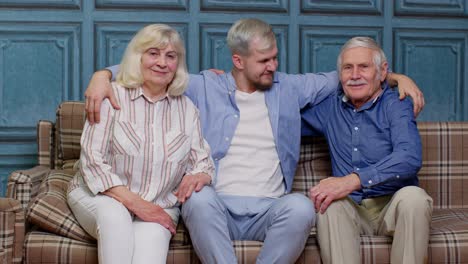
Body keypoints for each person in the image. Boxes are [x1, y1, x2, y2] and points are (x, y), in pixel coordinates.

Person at [84, 19, 425, 263]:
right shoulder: (204, 86)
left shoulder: (289, 88)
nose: (273, 66)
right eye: (264, 60)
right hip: (218, 202)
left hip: (270, 206)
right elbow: (149, 69)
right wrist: (102, 76)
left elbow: (348, 77)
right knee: (197, 199)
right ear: (238, 60)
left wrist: (395, 76)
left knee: (302, 207)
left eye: (275, 57)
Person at [67, 24, 214, 264]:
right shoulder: (112, 96)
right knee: (116, 218)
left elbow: (204, 163)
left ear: (178, 64)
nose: (162, 63)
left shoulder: (188, 109)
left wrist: (200, 176)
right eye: (153, 53)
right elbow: (92, 161)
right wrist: (138, 205)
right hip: (102, 195)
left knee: (150, 251)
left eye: (170, 56)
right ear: (138, 57)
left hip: (160, 204)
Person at [302, 37, 433, 264]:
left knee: (415, 198)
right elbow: (279, 114)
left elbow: (409, 157)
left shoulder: (397, 103)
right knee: (328, 203)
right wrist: (225, 84)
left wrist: (352, 180)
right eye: (347, 68)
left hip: (392, 207)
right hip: (351, 209)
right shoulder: (329, 108)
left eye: (364, 67)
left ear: (382, 72)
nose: (354, 75)